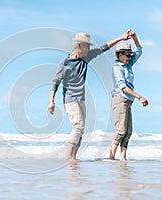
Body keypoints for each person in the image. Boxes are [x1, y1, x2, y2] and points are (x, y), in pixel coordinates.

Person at [49, 30, 132, 162]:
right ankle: (68, 156)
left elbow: (104, 47)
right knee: (78, 126)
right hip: (70, 100)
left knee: (81, 130)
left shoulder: (86, 57)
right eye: (87, 46)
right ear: (78, 46)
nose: (89, 48)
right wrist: (51, 101)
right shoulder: (65, 63)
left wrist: (121, 38)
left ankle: (73, 158)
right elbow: (55, 81)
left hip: (81, 99)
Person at [109, 30, 148, 161]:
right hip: (120, 99)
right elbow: (123, 87)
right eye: (127, 55)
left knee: (128, 131)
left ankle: (123, 158)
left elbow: (139, 50)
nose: (130, 57)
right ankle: (111, 157)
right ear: (119, 55)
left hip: (128, 101)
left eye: (130, 55)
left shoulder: (129, 64)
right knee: (120, 131)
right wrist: (139, 96)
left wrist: (135, 37)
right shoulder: (117, 68)